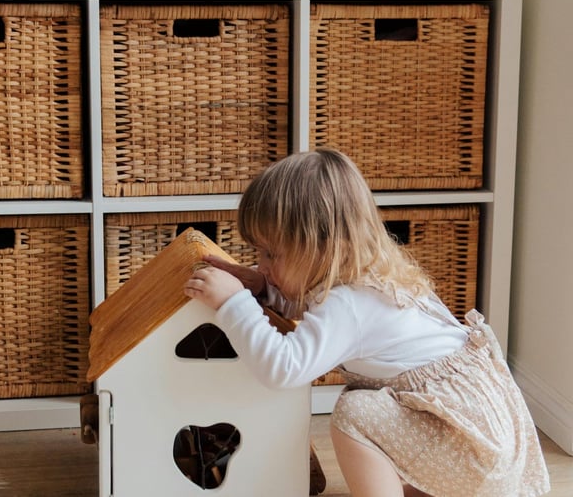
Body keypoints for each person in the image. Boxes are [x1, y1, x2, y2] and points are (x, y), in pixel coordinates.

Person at [184, 148, 550, 497]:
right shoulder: (370, 275)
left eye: (271, 254)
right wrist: (264, 287)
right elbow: (311, 309)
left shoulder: (349, 304)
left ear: (321, 247)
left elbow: (283, 367)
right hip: (483, 440)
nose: (261, 263)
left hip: (469, 451)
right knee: (372, 408)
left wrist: (233, 304)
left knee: (355, 412)